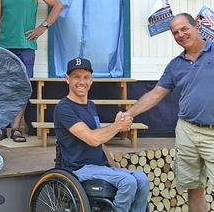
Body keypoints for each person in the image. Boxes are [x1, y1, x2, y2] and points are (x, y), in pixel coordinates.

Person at [123, 13, 214, 212]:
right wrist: (129, 113)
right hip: (187, 132)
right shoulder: (175, 65)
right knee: (194, 188)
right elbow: (155, 94)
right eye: (175, 33)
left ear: (197, 27)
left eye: (184, 29)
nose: (180, 34)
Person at [54, 57, 149, 212]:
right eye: (76, 77)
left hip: (100, 167)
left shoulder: (90, 106)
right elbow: (93, 138)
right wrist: (118, 125)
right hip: (79, 168)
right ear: (67, 79)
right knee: (128, 182)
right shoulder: (64, 108)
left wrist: (115, 167)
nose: (81, 82)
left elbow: (100, 141)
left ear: (91, 81)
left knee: (142, 179)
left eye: (86, 77)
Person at [0, 0, 63, 142]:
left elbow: (57, 5)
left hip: (25, 46)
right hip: (5, 45)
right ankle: (0, 125)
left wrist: (43, 27)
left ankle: (16, 127)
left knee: (22, 86)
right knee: (2, 86)